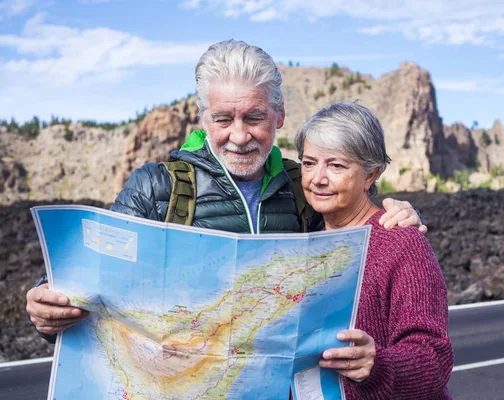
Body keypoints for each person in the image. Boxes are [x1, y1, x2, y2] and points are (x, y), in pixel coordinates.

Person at [26, 40, 426, 341]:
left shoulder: (301, 185)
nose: (239, 136)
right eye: (223, 118)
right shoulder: (156, 186)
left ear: (280, 115)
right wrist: (47, 301)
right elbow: (84, 278)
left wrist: (402, 217)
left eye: (254, 117)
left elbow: (354, 213)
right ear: (203, 118)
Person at [296, 102, 453, 399]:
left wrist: (377, 365)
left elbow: (434, 357)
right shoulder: (302, 244)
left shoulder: (402, 243)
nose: (317, 178)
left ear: (371, 175)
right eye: (308, 162)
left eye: (336, 165)